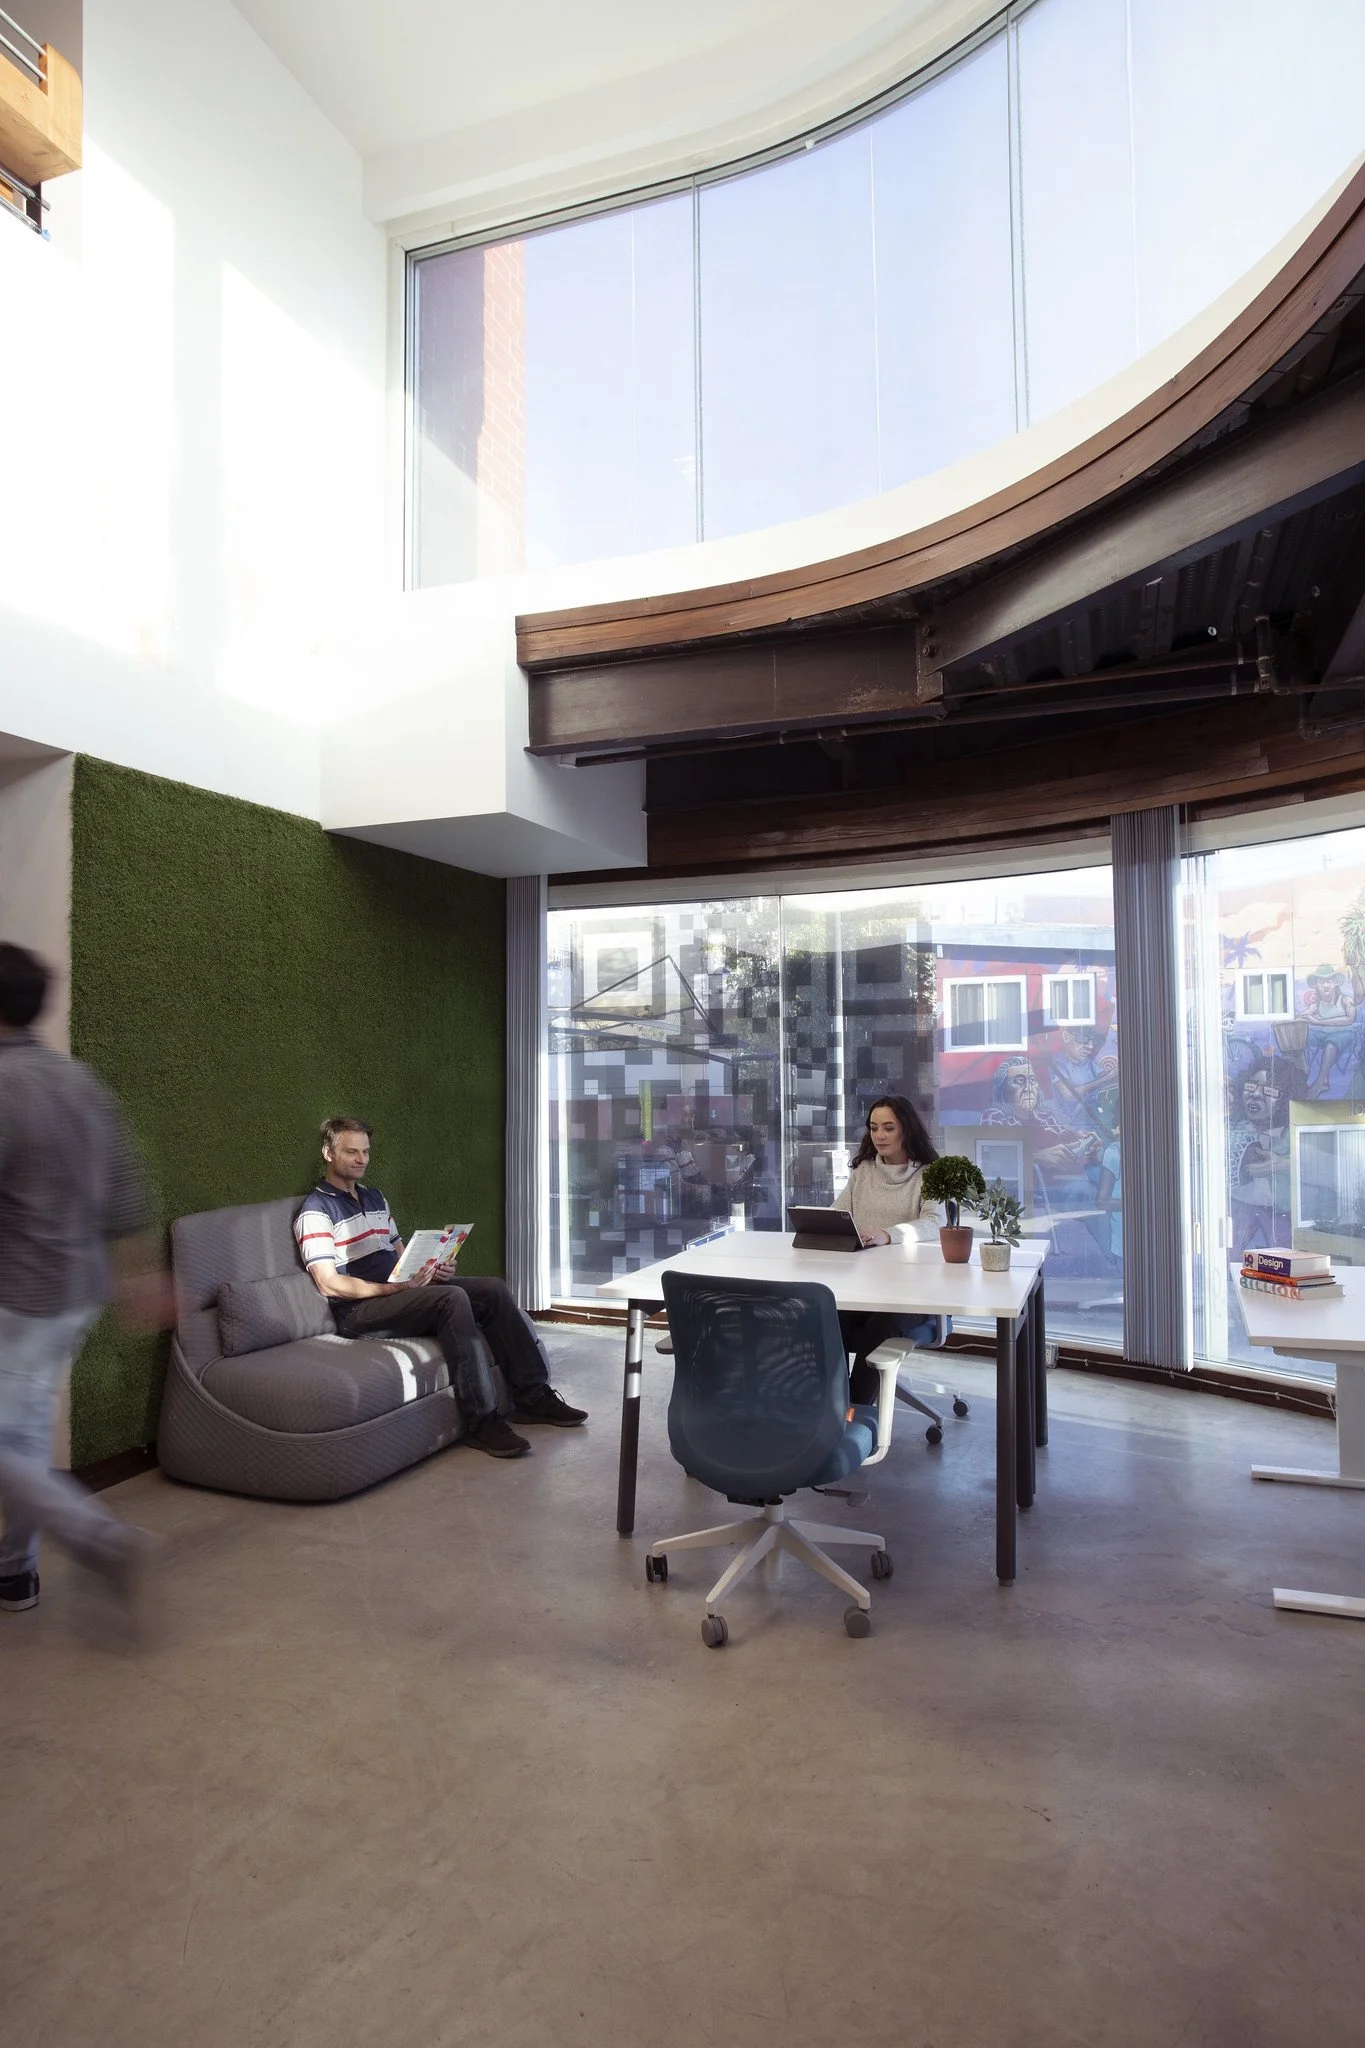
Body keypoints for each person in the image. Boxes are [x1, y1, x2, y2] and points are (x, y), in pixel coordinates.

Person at [0, 943, 168, 1619]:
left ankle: (98, 1537)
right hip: (75, 1296)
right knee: (25, 1430)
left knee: (4, 1441)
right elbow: (127, 1189)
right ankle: (14, 1573)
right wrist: (142, 1277)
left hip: (18, 1295)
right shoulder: (79, 1082)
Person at [295, 1117, 586, 1459]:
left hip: (400, 1292)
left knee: (492, 1288)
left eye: (366, 1152)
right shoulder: (316, 1211)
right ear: (328, 1153)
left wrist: (433, 1271)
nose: (361, 1160)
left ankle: (533, 1396)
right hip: (358, 1312)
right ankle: (482, 1423)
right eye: (351, 1152)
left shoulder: (374, 1198)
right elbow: (329, 1283)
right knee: (451, 1299)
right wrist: (393, 1290)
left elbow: (402, 1260)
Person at [830, 1094, 943, 1403]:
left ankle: (855, 1409)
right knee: (823, 1311)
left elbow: (935, 1223)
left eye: (888, 1128)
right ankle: (832, 1402)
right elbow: (837, 1215)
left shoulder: (929, 1174)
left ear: (906, 1129)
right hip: (862, 1287)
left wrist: (887, 1234)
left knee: (884, 1321)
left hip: (909, 1294)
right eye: (874, 1127)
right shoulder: (863, 1172)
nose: (879, 1135)